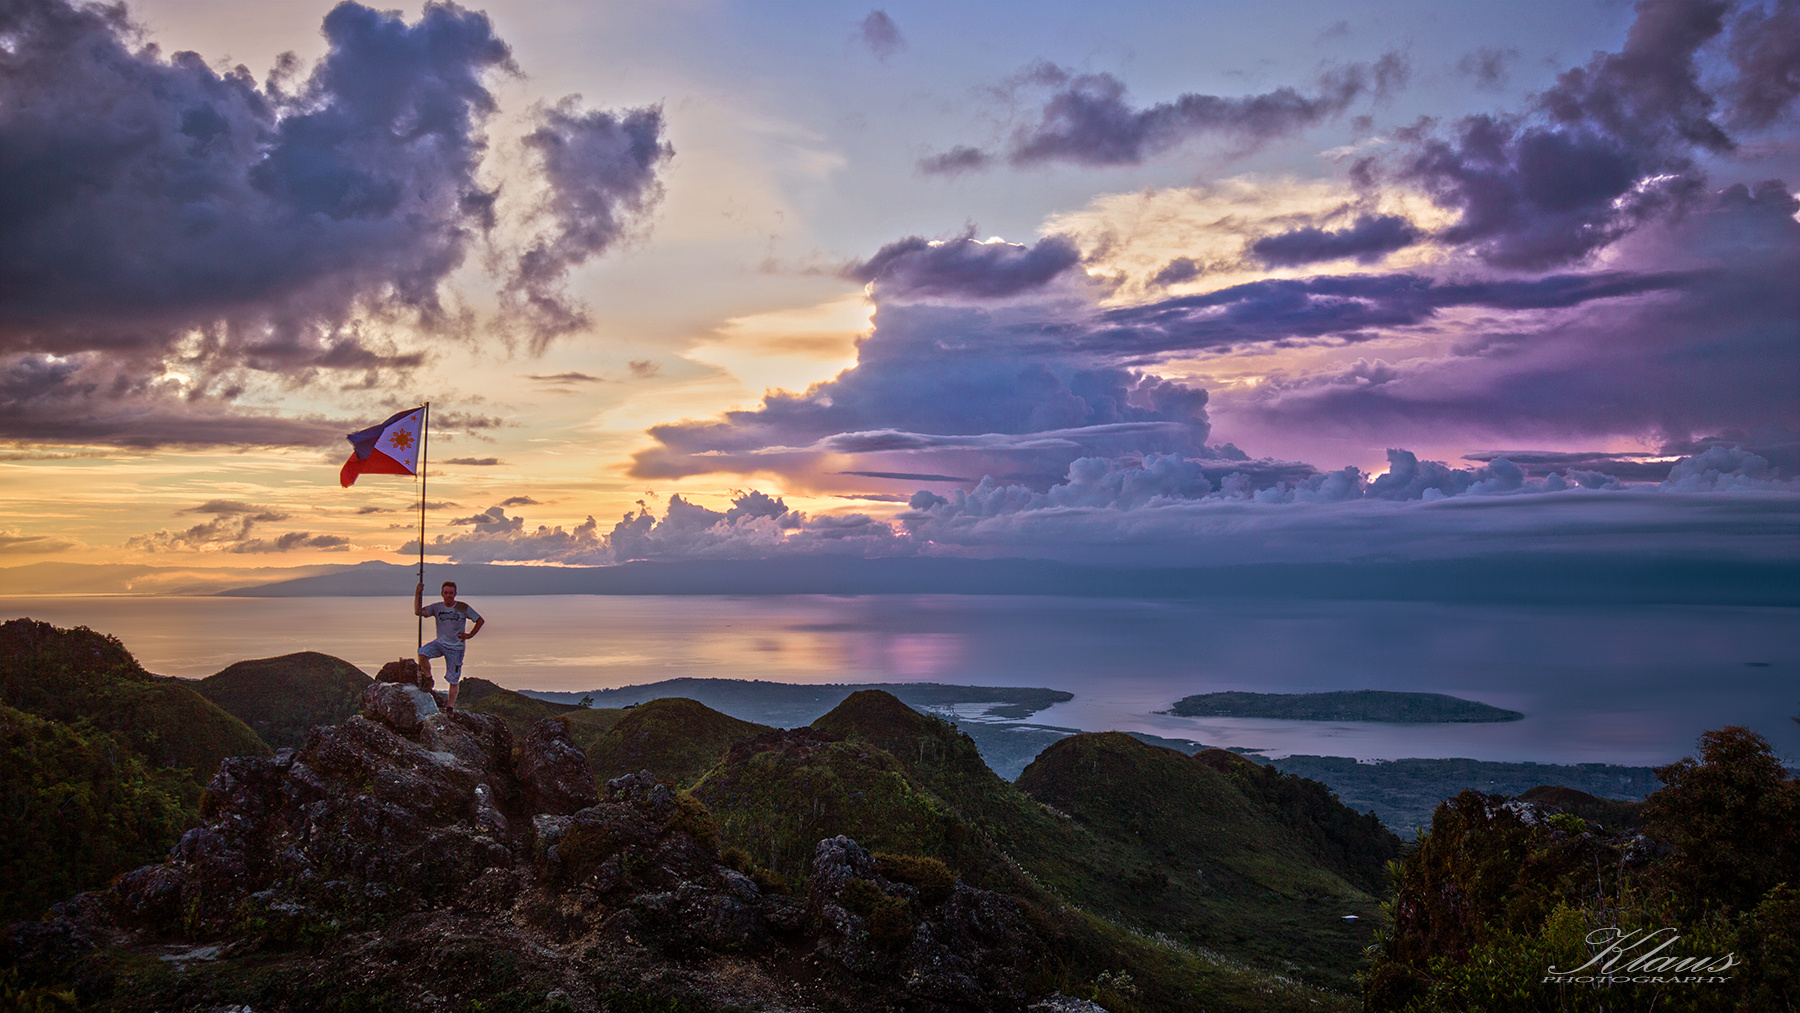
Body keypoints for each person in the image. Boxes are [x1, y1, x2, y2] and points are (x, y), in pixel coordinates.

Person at [414, 580, 483, 712]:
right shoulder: (437, 607)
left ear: (455, 594)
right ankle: (428, 679)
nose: (448, 595)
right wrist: (417, 593)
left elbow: (480, 620)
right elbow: (418, 612)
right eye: (446, 593)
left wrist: (470, 634)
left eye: (451, 593)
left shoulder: (462, 607)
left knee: (453, 679)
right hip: (440, 643)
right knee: (422, 653)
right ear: (442, 594)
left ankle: (450, 707)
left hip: (456, 648)